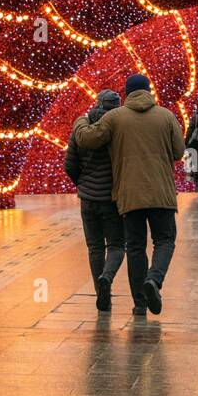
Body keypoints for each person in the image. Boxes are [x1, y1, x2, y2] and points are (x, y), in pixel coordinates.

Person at [73, 73, 184, 316]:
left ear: (127, 92)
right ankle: (154, 280)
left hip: (128, 195)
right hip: (161, 193)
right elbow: (178, 151)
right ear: (148, 91)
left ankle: (140, 304)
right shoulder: (166, 116)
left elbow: (86, 139)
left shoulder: (115, 117)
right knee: (164, 241)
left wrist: (81, 120)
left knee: (135, 247)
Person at [64, 88, 125, 312]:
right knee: (118, 245)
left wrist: (82, 184)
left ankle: (102, 295)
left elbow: (69, 164)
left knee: (95, 247)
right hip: (112, 198)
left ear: (97, 103)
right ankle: (107, 277)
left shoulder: (82, 127)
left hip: (88, 199)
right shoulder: (120, 127)